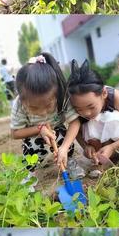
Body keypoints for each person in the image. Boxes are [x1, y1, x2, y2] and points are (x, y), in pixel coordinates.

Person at [11, 53, 84, 188]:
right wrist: (39, 129)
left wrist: (64, 148)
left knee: (62, 137)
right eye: (34, 107)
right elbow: (15, 133)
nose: (43, 112)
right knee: (32, 145)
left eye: (48, 105)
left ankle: (68, 160)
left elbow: (75, 122)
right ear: (22, 99)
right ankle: (30, 173)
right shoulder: (19, 104)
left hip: (56, 130)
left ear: (55, 94)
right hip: (34, 134)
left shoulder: (61, 95)